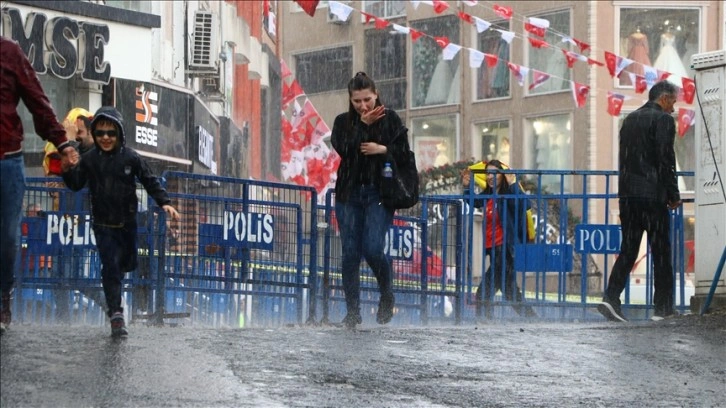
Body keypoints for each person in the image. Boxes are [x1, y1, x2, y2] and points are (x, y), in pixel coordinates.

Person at [62, 106, 180, 337]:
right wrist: (67, 169)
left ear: (119, 133)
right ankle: (116, 313)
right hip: (103, 225)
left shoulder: (131, 157)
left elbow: (149, 179)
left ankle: (117, 296)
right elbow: (76, 184)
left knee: (127, 263)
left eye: (111, 133)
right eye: (100, 133)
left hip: (127, 224)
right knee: (111, 267)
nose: (106, 138)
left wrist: (164, 202)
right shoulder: (89, 160)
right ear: (94, 134)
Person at [0, 36, 79, 335]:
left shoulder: (10, 52)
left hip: (7, 160)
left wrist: (61, 142)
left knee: (7, 236)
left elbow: (37, 99)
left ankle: (2, 296)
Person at [330, 72, 410, 329]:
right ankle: (352, 312)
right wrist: (362, 126)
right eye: (357, 101)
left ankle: (386, 293)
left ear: (376, 95)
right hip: (349, 193)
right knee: (350, 253)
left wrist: (383, 149)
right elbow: (345, 149)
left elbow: (405, 153)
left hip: (380, 193)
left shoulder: (391, 119)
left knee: (373, 247)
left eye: (367, 99)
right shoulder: (343, 122)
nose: (363, 106)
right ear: (350, 100)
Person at [598, 80, 681, 322]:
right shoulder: (663, 120)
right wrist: (673, 194)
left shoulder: (630, 119)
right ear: (664, 98)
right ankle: (663, 309)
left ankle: (610, 297)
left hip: (628, 195)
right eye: (673, 102)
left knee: (629, 248)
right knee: (661, 251)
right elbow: (666, 158)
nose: (674, 108)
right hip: (652, 195)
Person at [461, 159, 536, 319]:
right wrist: (467, 188)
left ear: (503, 175)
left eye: (494, 173)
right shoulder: (489, 194)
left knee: (484, 292)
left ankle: (485, 321)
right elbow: (474, 202)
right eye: (488, 173)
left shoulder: (508, 194)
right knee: (510, 292)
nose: (490, 177)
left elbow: (525, 205)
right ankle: (533, 320)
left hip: (505, 250)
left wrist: (513, 184)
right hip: (494, 249)